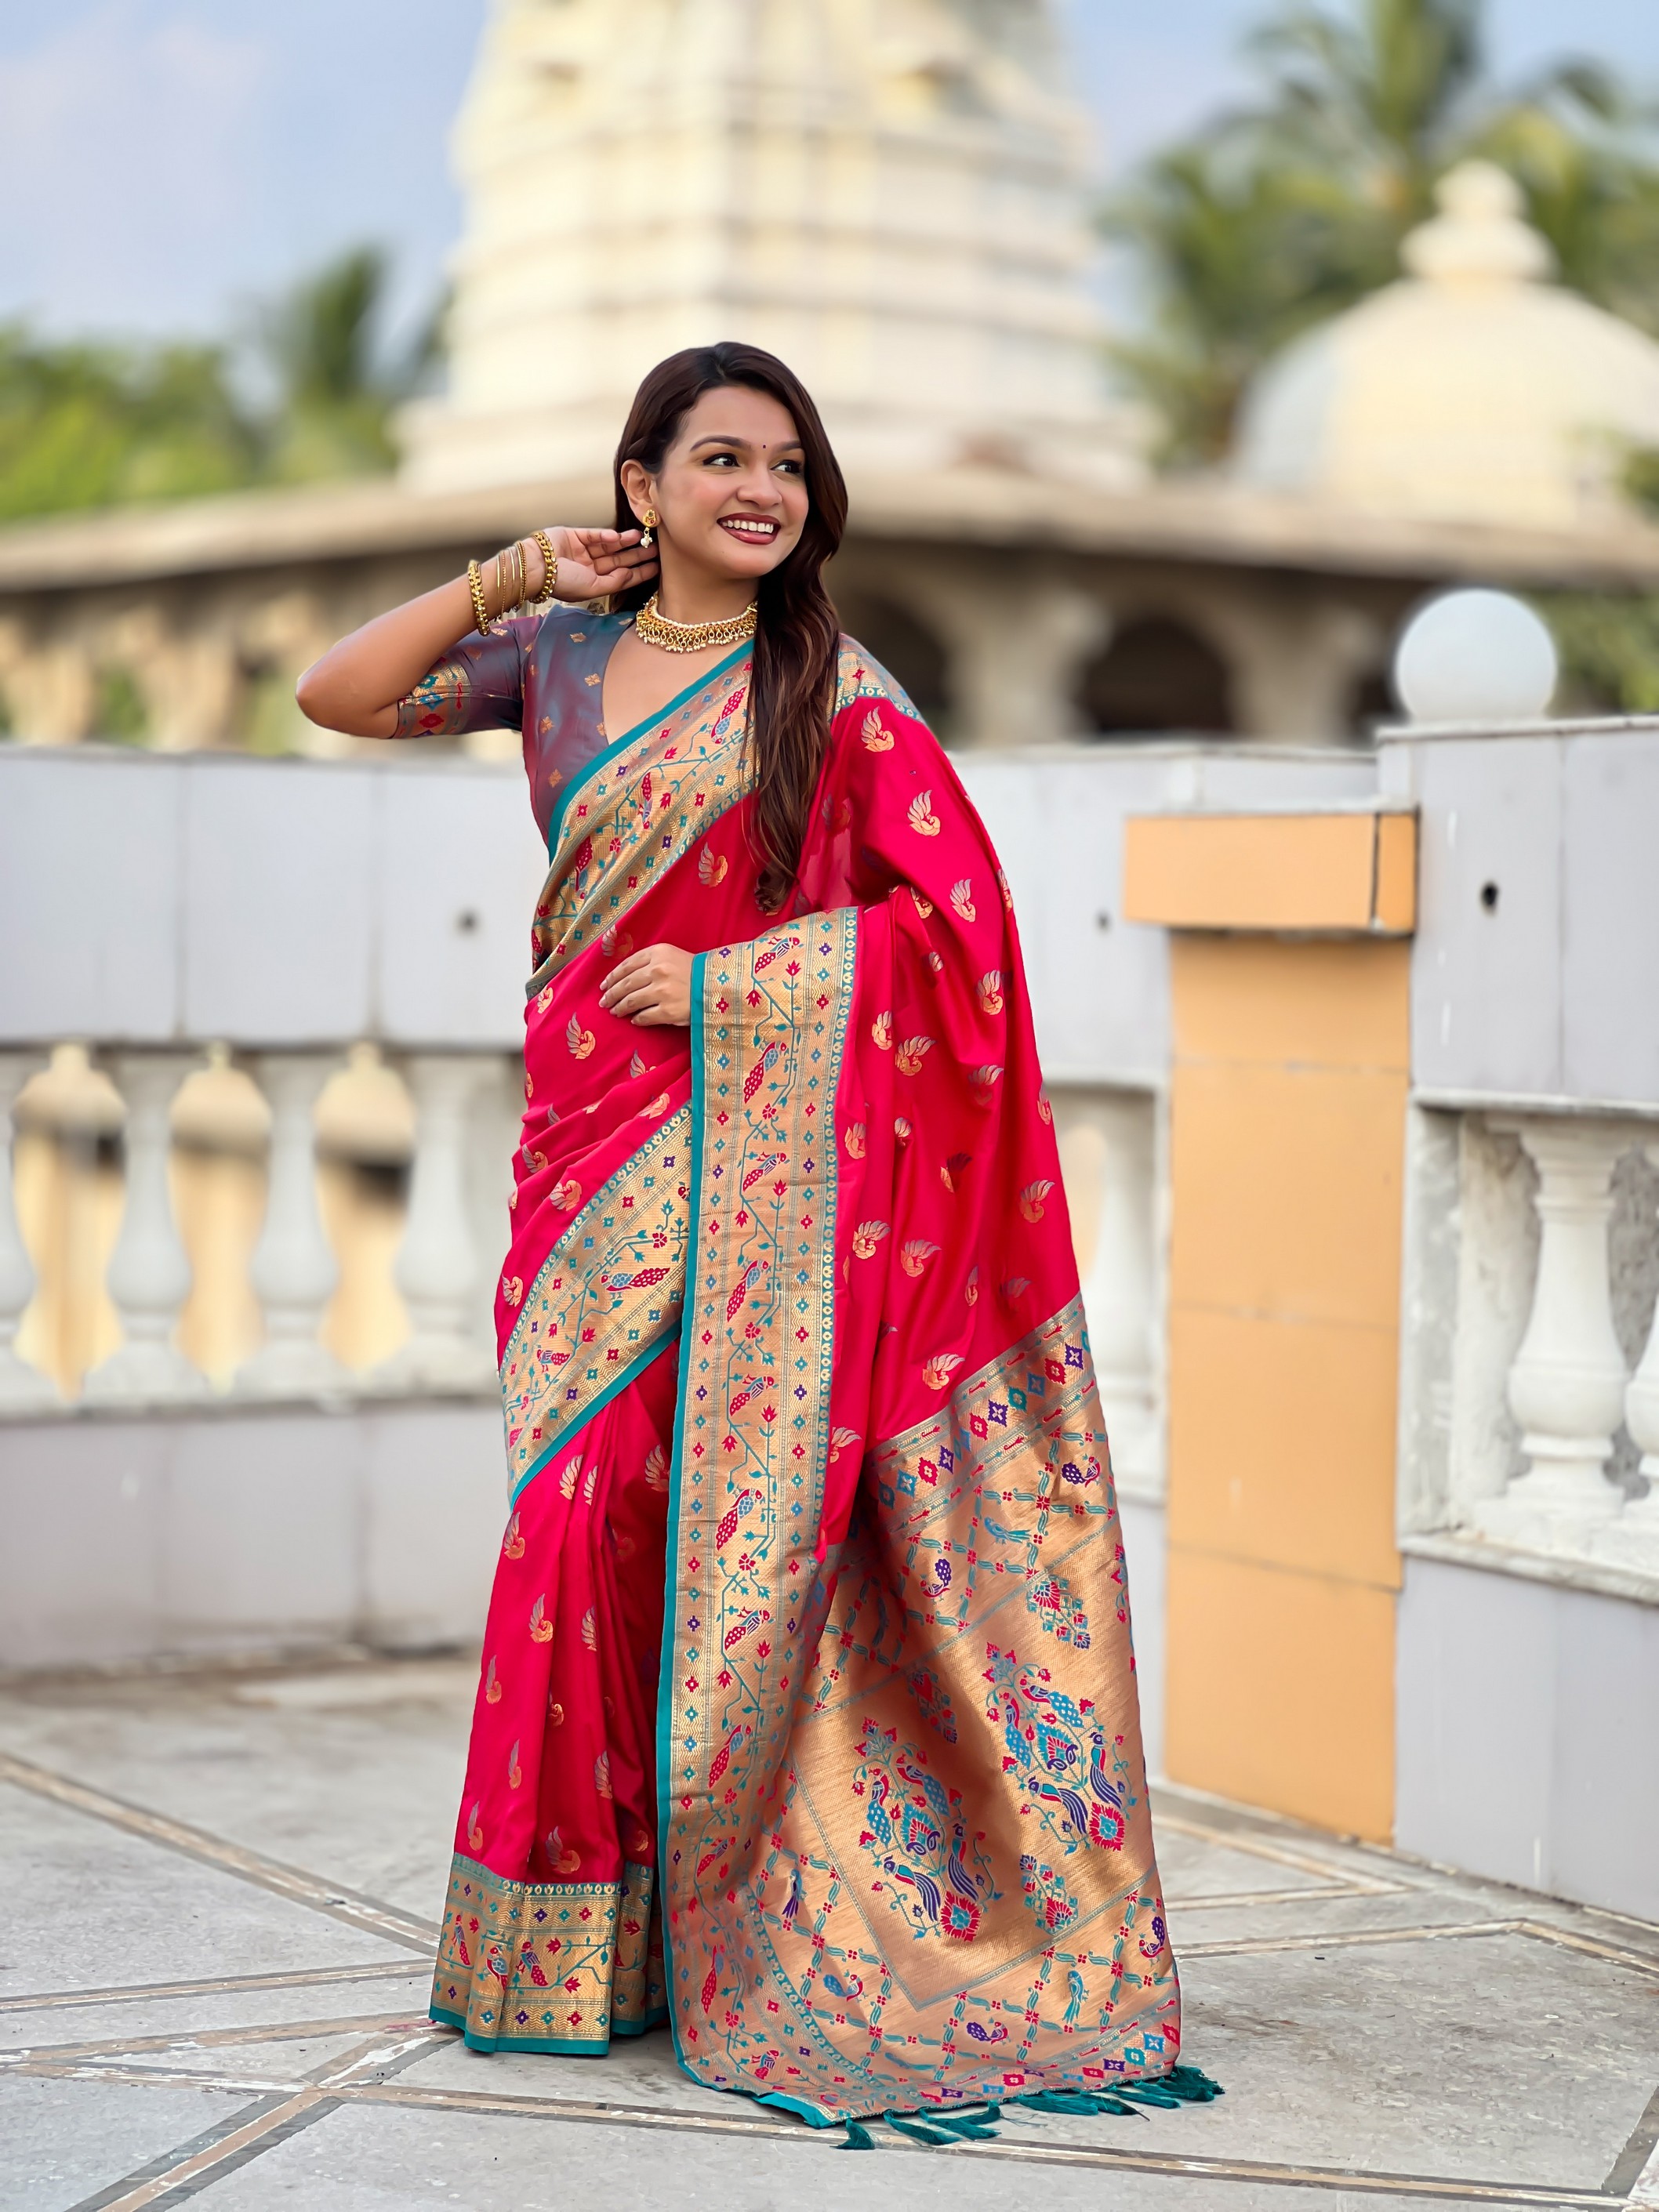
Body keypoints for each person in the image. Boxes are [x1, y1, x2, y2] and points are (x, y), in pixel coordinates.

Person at [296, 342, 1211, 2138]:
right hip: (583, 1148)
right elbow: (339, 692)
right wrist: (504, 576)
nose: (759, 491)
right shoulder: (554, 656)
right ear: (640, 484)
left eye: (785, 465)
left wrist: (740, 984)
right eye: (719, 458)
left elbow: (954, 933)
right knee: (574, 1512)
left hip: (757, 1157)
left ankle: (704, 1915)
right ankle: (568, 1941)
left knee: (684, 1523)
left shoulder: (833, 692)